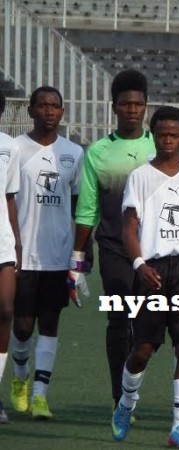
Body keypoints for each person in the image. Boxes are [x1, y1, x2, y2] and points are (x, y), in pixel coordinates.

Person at [111, 106, 179, 448]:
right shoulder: (141, 177)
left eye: (174, 134)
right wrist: (140, 264)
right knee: (142, 349)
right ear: (153, 136)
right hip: (152, 271)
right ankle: (126, 403)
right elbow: (129, 227)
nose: (167, 140)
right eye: (161, 134)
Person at [71, 69, 157, 420]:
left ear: (145, 107)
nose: (132, 110)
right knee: (119, 320)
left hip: (155, 250)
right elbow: (88, 209)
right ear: (114, 107)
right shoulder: (98, 153)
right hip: (114, 249)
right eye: (125, 104)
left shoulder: (159, 145)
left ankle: (136, 388)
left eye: (138, 104)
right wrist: (78, 258)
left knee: (149, 326)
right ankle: (118, 395)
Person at [9, 87, 84, 420]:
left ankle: (40, 394)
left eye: (55, 106)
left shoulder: (74, 153)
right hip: (23, 253)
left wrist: (81, 254)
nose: (49, 111)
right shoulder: (15, 149)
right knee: (23, 325)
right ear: (30, 111)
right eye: (42, 106)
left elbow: (80, 204)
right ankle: (21, 376)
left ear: (62, 112)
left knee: (51, 324)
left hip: (58, 254)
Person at [0, 90, 21, 424]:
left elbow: (10, 197)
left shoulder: (10, 147)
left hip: (2, 243)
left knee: (5, 311)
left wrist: (17, 243)